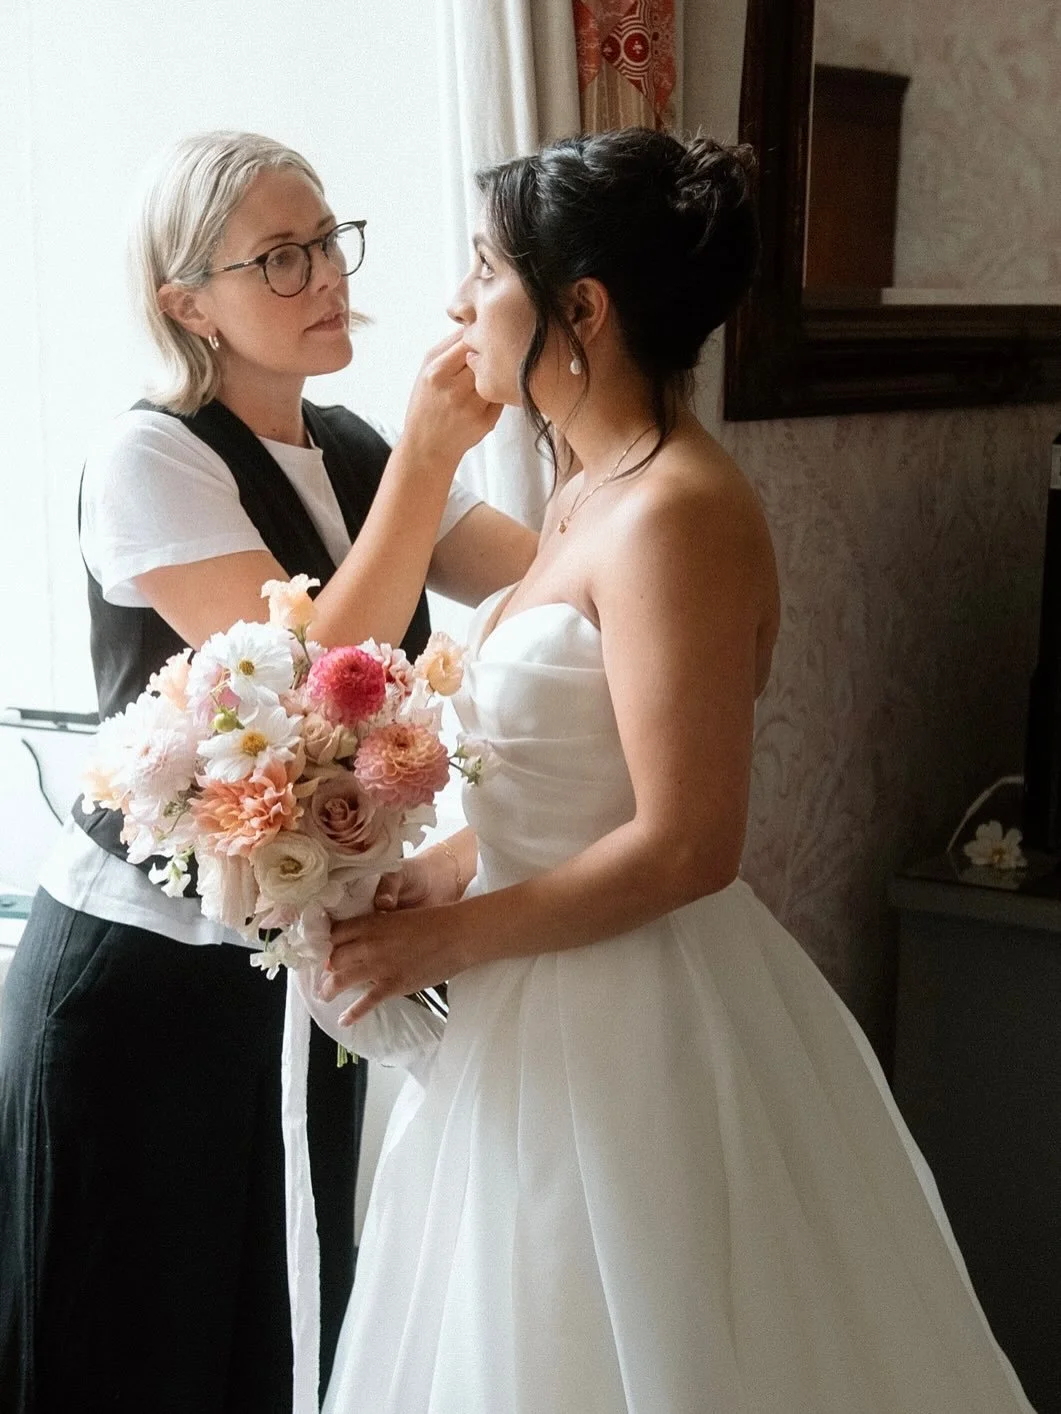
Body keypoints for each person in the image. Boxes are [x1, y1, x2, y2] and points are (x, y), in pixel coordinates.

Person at [307, 130, 1037, 1413]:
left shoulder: (676, 513)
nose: (455, 302)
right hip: (524, 1003)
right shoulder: (592, 493)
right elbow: (559, 778)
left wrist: (447, 942)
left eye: (484, 269)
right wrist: (440, 870)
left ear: (578, 307)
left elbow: (689, 841)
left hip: (629, 1026)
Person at [0, 130, 536, 1414]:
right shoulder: (152, 458)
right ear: (188, 301)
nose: (326, 280)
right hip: (136, 982)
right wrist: (425, 462)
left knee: (285, 1323)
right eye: (281, 259)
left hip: (291, 974)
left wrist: (602, 435)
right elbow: (300, 685)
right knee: (129, 1333)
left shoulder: (350, 447)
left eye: (330, 244)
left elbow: (540, 576)